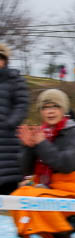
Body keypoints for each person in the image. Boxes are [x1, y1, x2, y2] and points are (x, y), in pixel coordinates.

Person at [10, 89, 75, 238]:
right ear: (41, 111)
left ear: (63, 110)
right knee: (18, 195)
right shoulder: (40, 133)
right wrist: (28, 147)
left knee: (40, 200)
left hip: (72, 190)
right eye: (45, 107)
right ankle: (25, 236)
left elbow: (66, 165)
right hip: (46, 185)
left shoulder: (73, 132)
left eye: (55, 106)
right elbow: (26, 170)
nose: (50, 111)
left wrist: (41, 144)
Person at [0, 43, 29, 195]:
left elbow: (22, 104)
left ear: (5, 60)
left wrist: (9, 123)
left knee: (7, 185)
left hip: (7, 139)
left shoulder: (14, 79)